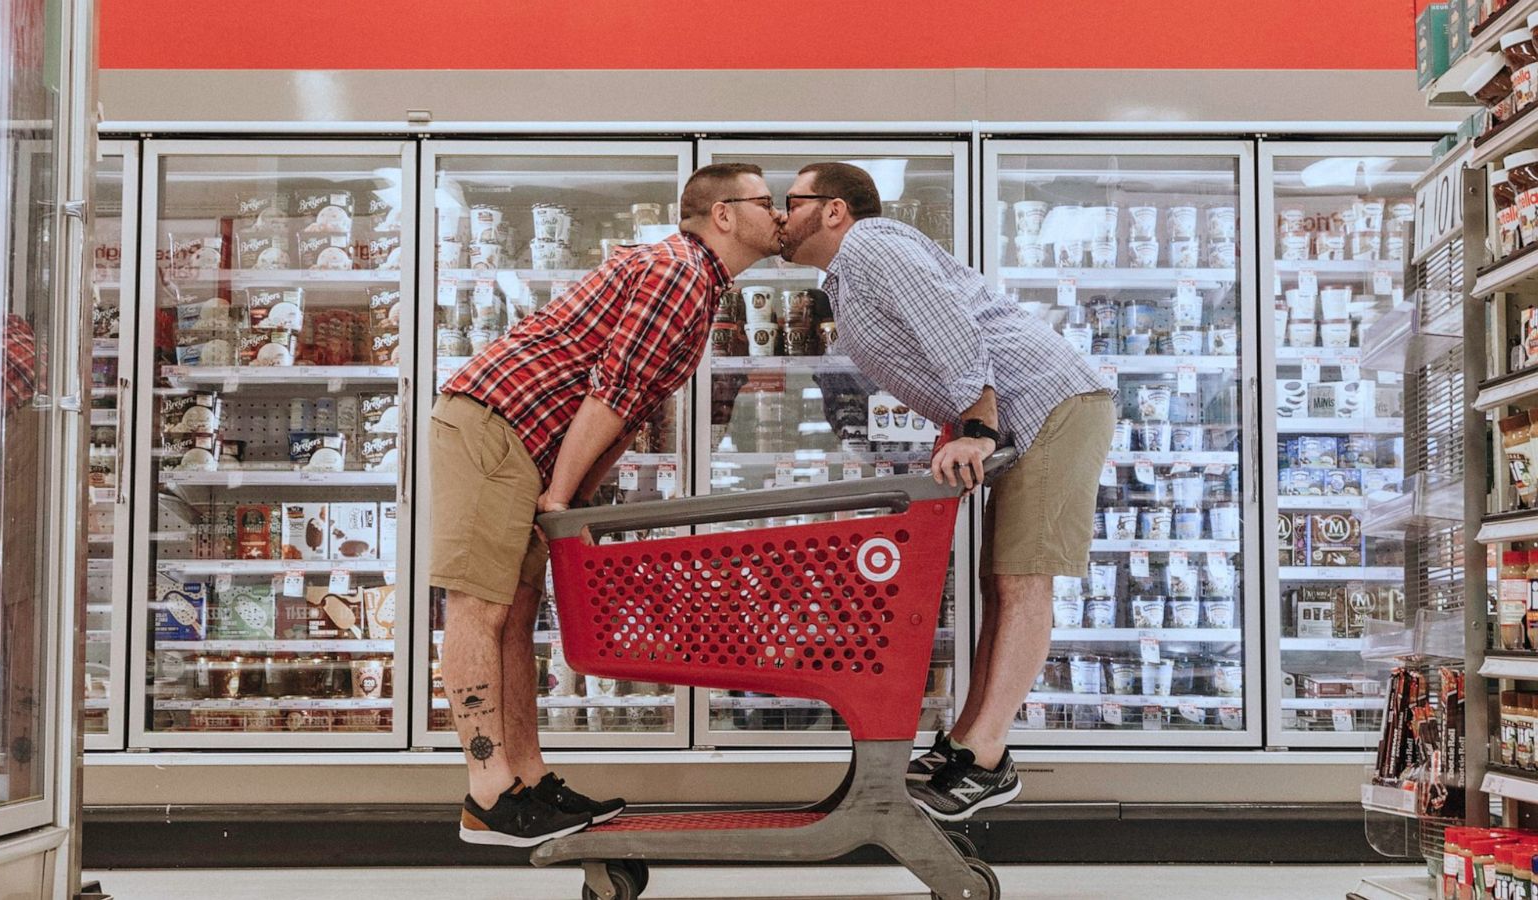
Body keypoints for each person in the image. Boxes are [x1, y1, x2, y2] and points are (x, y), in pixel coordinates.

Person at [432, 162, 783, 847]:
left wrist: (576, 500)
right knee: (480, 607)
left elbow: (628, 410)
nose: (779, 215)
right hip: (495, 423)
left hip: (529, 440)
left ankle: (527, 778)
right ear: (723, 215)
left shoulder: (700, 283)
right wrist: (562, 496)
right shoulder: (681, 271)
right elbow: (613, 391)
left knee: (517, 613)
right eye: (767, 202)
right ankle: (488, 790)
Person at [779, 162, 1116, 821]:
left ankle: (987, 757)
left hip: (1050, 404)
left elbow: (951, 329)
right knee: (1001, 586)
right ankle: (965, 743)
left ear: (835, 210)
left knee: (1023, 585)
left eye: (791, 202)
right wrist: (954, 438)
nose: (781, 218)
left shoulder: (871, 244)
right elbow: (931, 359)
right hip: (1026, 418)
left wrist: (978, 425)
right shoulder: (846, 277)